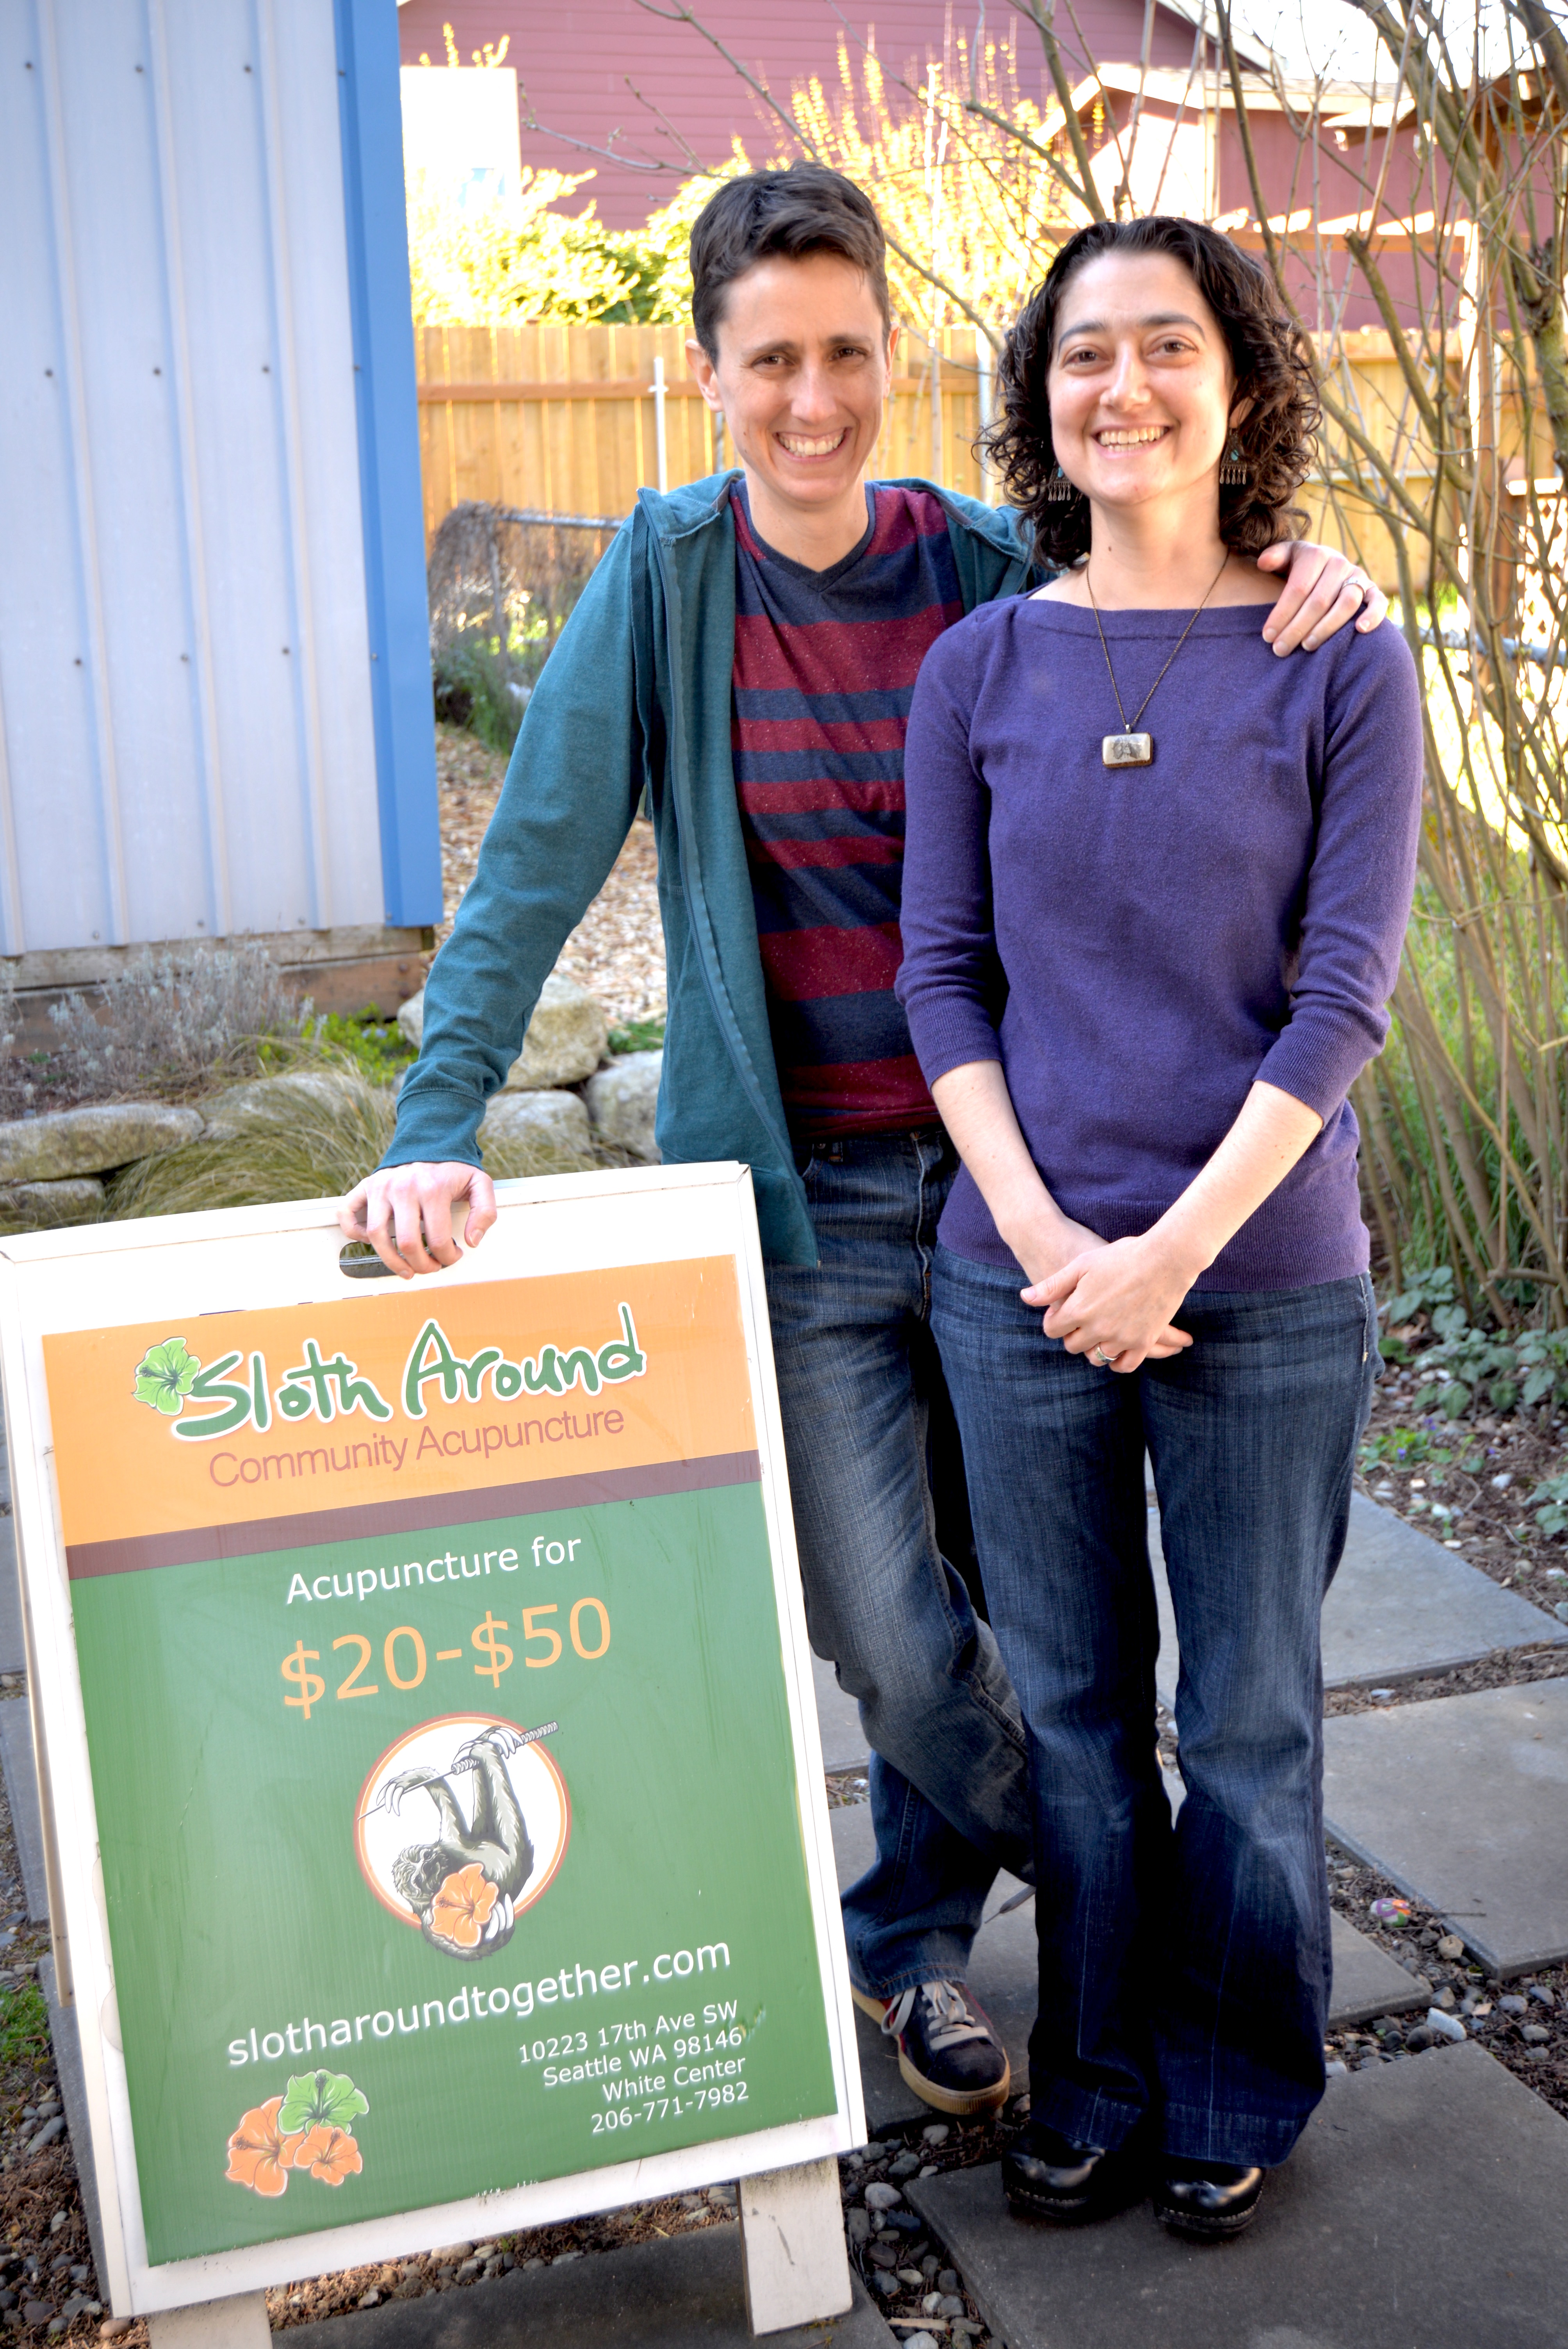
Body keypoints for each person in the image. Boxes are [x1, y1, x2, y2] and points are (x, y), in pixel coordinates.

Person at [341, 168, 1388, 2120]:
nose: (811, 400)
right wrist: (431, 1121)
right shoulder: (663, 584)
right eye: (770, 362)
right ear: (706, 368)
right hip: (811, 1193)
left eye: (845, 354)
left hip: (1033, 1202)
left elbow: (1164, 592)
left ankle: (913, 1945)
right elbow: (528, 874)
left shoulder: (986, 574)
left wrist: (1305, 564)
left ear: (890, 353)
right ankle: (1164, 1917)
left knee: (1035, 1617)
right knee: (900, 1638)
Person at [895, 213, 1422, 2231]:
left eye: (1167, 343)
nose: (1123, 384)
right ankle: (1097, 2072)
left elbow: (1343, 1000)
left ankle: (1234, 2080)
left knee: (1252, 1716)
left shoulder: (1339, 655)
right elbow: (944, 976)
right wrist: (1048, 1244)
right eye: (1083, 352)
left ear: (1241, 378)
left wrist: (1172, 1257)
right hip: (1016, 1285)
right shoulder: (983, 666)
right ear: (1040, 399)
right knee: (1084, 1721)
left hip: (1265, 1287)